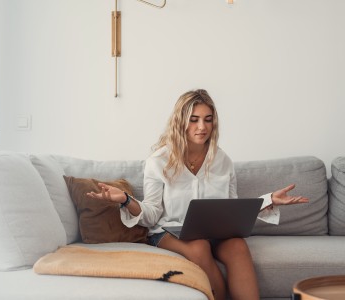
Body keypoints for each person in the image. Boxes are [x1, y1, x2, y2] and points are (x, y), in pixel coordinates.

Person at [87, 89, 309, 300]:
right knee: (199, 245)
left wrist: (268, 200)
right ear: (180, 121)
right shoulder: (158, 161)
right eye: (194, 119)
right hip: (169, 232)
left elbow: (232, 209)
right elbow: (152, 215)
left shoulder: (223, 161)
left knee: (238, 246)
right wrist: (126, 200)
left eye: (208, 119)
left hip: (215, 232)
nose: (202, 126)